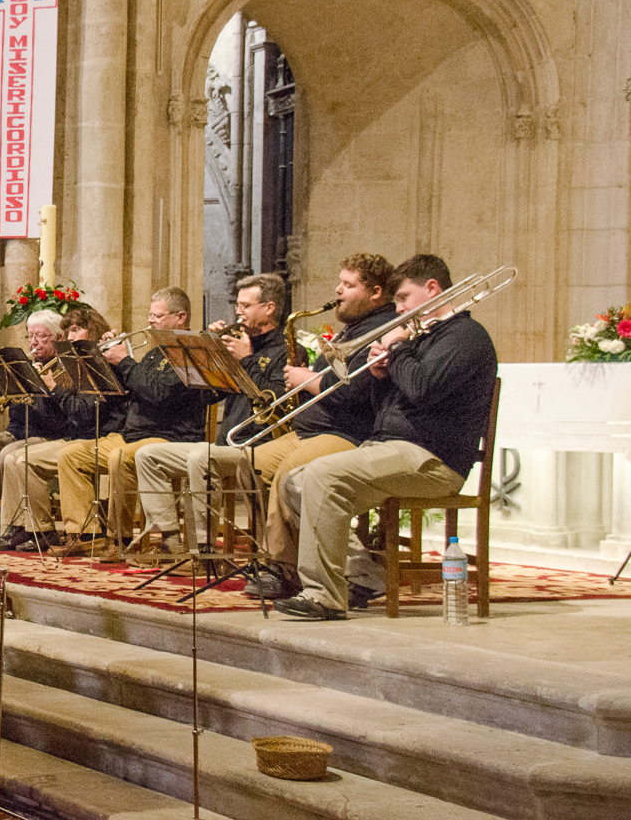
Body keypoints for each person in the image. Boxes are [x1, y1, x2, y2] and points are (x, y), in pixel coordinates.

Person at [274, 254, 498, 620]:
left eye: (404, 298)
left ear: (432, 288)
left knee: (320, 474)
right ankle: (364, 574)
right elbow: (393, 404)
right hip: (393, 449)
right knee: (295, 482)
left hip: (432, 458)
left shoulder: (465, 336)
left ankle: (324, 597)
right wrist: (381, 375)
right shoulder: (421, 337)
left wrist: (396, 349)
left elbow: (423, 389)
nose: (398, 308)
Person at [247, 254, 395, 601]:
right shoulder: (353, 327)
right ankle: (287, 557)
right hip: (311, 431)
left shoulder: (382, 329)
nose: (337, 290)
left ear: (375, 292)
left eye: (348, 284)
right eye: (339, 282)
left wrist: (310, 381)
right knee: (248, 462)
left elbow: (358, 392)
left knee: (289, 472)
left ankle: (283, 568)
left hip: (349, 433)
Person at [48, 287, 220, 558]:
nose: (150, 320)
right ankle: (86, 534)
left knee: (119, 457)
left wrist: (125, 360)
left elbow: (159, 394)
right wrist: (110, 361)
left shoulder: (189, 352)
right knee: (71, 455)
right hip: (133, 434)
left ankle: (120, 538)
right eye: (150, 314)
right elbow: (132, 388)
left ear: (181, 317)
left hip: (167, 435)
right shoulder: (154, 353)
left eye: (158, 315)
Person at [133, 273, 289, 553]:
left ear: (269, 308)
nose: (238, 312)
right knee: (147, 455)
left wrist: (247, 359)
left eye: (245, 305)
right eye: (237, 305)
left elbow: (274, 400)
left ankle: (201, 548)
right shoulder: (237, 344)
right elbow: (206, 395)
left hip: (259, 443)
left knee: (200, 458)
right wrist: (211, 352)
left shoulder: (286, 349)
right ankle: (171, 540)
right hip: (226, 442)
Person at [0, 308, 90, 547]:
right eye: (31, 336)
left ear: (57, 338)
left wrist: (37, 395)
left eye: (41, 336)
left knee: (7, 454)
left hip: (48, 436)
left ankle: (16, 526)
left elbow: (64, 418)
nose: (34, 342)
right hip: (16, 432)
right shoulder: (22, 365)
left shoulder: (63, 369)